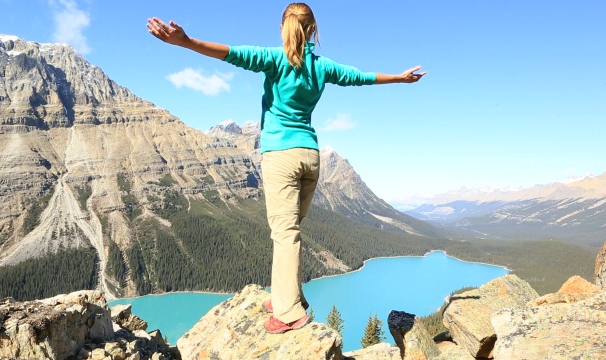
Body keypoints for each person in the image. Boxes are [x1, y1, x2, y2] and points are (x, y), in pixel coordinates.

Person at [147, 2, 425, 334]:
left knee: (284, 233)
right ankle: (288, 295)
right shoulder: (322, 66)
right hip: (310, 155)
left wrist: (186, 42)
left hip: (281, 156)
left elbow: (229, 53)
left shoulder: (274, 58)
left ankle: (290, 312)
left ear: (282, 26)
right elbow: (360, 77)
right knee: (291, 228)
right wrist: (400, 78)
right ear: (312, 30)